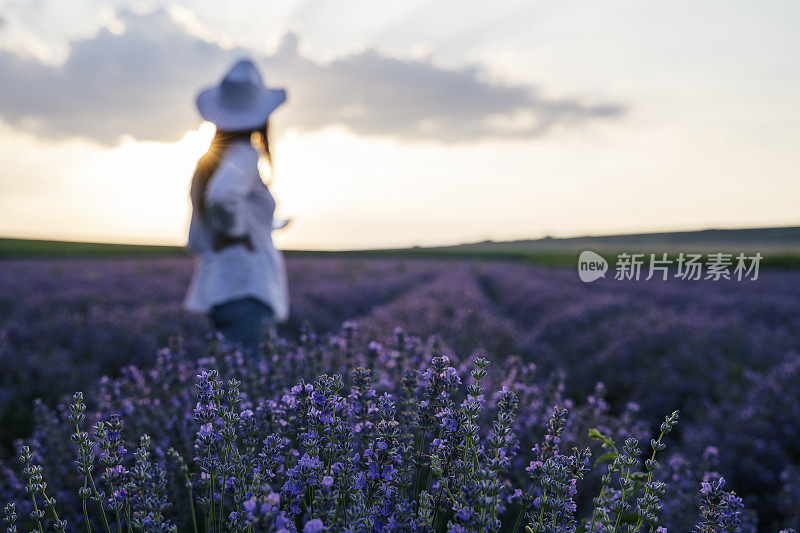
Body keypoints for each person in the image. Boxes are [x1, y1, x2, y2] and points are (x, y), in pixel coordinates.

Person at [183, 58, 289, 357]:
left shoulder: (208, 162)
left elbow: (195, 238)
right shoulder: (243, 153)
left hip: (220, 289)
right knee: (249, 389)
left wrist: (254, 227)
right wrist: (237, 233)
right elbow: (223, 197)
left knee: (228, 387)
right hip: (246, 290)